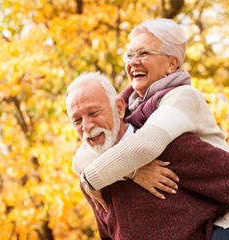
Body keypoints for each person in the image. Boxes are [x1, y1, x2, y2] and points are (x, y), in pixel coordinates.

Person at [72, 18, 229, 238]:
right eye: (129, 55)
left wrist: (90, 179)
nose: (133, 62)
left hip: (221, 217)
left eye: (144, 54)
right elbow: (82, 156)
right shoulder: (129, 107)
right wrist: (133, 171)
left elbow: (146, 144)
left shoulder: (183, 97)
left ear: (172, 64)